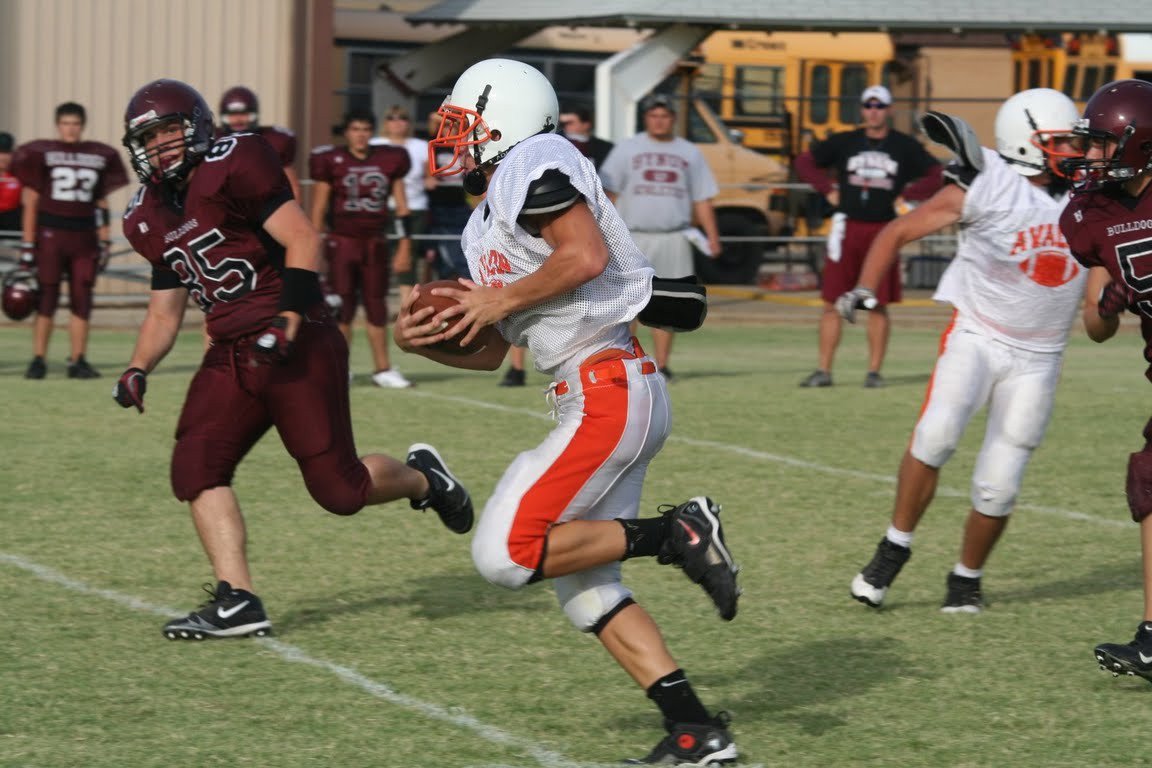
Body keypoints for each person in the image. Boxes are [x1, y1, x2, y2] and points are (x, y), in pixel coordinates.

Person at [394, 58, 741, 766]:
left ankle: (676, 532)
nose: (453, 138)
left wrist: (499, 298)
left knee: (503, 555)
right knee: (586, 589)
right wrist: (423, 340)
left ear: (507, 122)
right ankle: (694, 730)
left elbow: (581, 255)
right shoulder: (483, 222)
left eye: (466, 124)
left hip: (608, 386)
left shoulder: (536, 157)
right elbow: (491, 352)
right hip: (599, 389)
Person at [113, 78, 472, 640]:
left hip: (296, 334)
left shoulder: (236, 162)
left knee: (340, 491)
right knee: (195, 466)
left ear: (197, 127)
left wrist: (288, 319)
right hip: (232, 349)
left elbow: (303, 239)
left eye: (167, 132)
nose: (160, 147)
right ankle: (238, 599)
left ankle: (423, 481)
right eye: (148, 138)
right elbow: (164, 313)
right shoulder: (146, 216)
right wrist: (137, 368)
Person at [842, 89, 1086, 613]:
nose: (1074, 149)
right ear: (1026, 144)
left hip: (1041, 355)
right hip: (978, 334)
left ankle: (966, 578)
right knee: (936, 434)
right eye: (1060, 140)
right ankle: (894, 546)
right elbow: (898, 230)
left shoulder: (1092, 195)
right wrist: (864, 288)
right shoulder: (987, 182)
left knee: (1001, 482)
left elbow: (1100, 282)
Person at [1057, 78, 1152, 680]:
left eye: (1101, 146)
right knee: (1148, 480)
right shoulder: (1091, 217)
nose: (1089, 158)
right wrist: (1111, 302)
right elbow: (1094, 327)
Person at [793, 84, 942, 389]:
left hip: (883, 230)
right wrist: (827, 189)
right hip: (848, 227)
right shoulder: (846, 141)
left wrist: (909, 196)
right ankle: (824, 370)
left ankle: (873, 372)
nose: (874, 111)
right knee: (833, 302)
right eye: (869, 105)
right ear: (862, 109)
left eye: (880, 106)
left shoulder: (903, 145)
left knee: (876, 303)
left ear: (888, 110)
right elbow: (804, 162)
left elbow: (937, 173)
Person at [599, 93, 722, 382]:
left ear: (673, 119)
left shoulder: (689, 152)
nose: (659, 120)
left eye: (664, 115)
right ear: (646, 118)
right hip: (632, 236)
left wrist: (713, 236)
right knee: (626, 303)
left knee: (670, 304)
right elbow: (608, 193)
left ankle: (662, 366)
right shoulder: (627, 149)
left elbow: (702, 198)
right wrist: (604, 232)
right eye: (654, 115)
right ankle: (626, 362)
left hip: (673, 236)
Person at [497, 106, 619, 389]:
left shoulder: (552, 160)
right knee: (518, 296)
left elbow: (588, 255)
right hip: (536, 235)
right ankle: (516, 368)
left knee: (521, 297)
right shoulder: (517, 168)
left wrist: (498, 301)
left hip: (572, 232)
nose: (567, 126)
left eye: (572, 120)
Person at [11, 102, 129, 379]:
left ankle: (78, 360)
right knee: (46, 297)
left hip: (84, 236)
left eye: (75, 123)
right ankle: (38, 358)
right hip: (51, 233)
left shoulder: (99, 154)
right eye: (66, 123)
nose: (70, 129)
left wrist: (104, 239)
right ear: (57, 125)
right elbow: (32, 202)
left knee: (82, 297)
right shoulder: (42, 152)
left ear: (82, 125)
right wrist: (28, 244)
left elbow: (100, 199)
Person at [310, 109, 413, 388]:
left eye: (366, 129)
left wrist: (404, 245)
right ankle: (340, 368)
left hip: (375, 242)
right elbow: (319, 208)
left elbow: (402, 207)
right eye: (355, 129)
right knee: (341, 308)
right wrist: (315, 248)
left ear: (372, 132)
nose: (361, 134)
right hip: (341, 241)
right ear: (346, 132)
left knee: (376, 307)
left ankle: (383, 369)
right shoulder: (331, 160)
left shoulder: (389, 159)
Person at [371, 105, 435, 308]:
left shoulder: (420, 146)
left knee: (408, 259)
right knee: (376, 256)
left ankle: (405, 307)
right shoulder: (375, 144)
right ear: (385, 122)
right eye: (391, 117)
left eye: (402, 118)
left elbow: (430, 175)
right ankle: (377, 304)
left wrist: (430, 181)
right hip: (380, 208)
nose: (397, 121)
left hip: (414, 208)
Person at [217, 85, 301, 200]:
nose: (238, 120)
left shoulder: (274, 140)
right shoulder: (213, 140)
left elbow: (292, 188)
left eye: (244, 114)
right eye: (232, 115)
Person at [560, 106, 614, 170]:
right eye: (562, 124)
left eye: (569, 123)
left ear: (586, 124)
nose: (565, 127)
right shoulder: (556, 145)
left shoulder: (606, 148)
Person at [0, 132, 21, 236]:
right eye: (0, 152)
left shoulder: (20, 175)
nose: (3, 157)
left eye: (6, 153)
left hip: (12, 221)